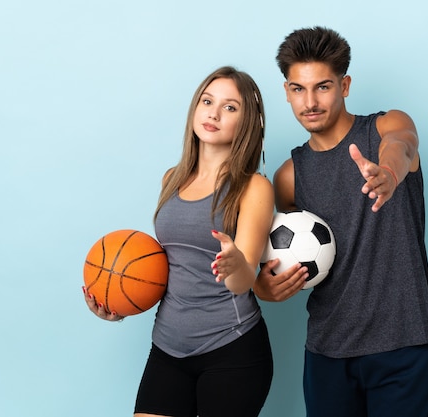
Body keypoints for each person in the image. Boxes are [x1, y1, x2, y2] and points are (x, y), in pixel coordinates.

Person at [254, 27, 428, 417]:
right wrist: (263, 287)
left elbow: (403, 144)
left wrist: (388, 174)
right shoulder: (289, 177)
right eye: (298, 89)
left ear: (345, 85)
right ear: (287, 91)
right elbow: (262, 254)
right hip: (327, 352)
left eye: (323, 87)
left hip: (403, 344)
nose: (310, 102)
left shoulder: (384, 127)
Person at [83, 66, 274, 417]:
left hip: (231, 348)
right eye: (207, 101)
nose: (213, 113)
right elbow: (167, 267)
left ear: (247, 122)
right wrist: (118, 300)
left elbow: (245, 277)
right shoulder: (171, 178)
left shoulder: (254, 187)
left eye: (230, 107)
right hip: (168, 348)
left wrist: (233, 264)